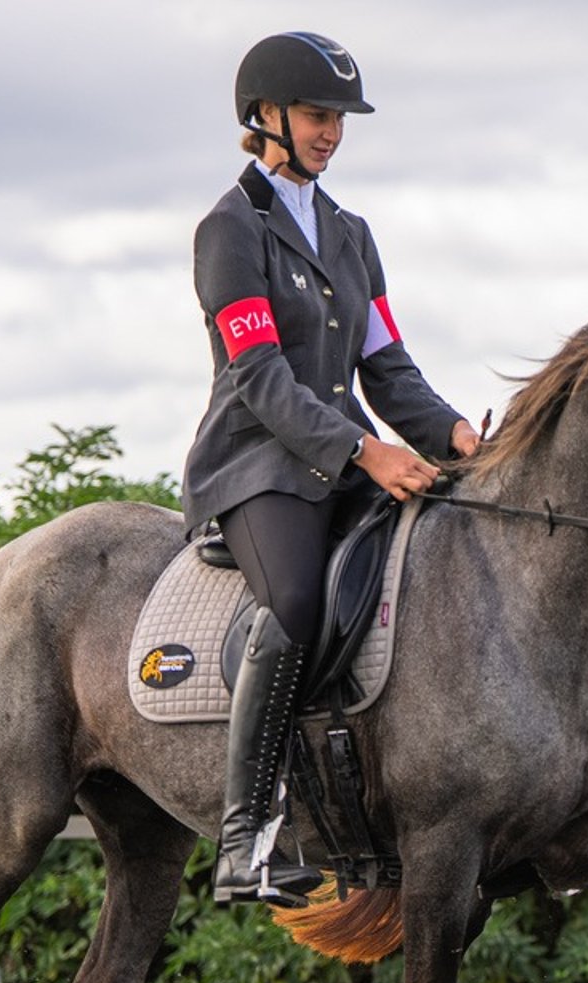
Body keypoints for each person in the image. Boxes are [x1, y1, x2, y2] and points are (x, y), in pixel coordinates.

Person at [184, 31, 480, 905]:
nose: (332, 133)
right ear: (266, 117)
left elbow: (388, 368)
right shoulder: (230, 229)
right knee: (301, 603)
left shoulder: (350, 235)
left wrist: (459, 434)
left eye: (339, 119)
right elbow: (261, 377)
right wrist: (365, 449)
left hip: (351, 456)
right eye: (318, 116)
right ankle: (246, 838)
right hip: (257, 466)